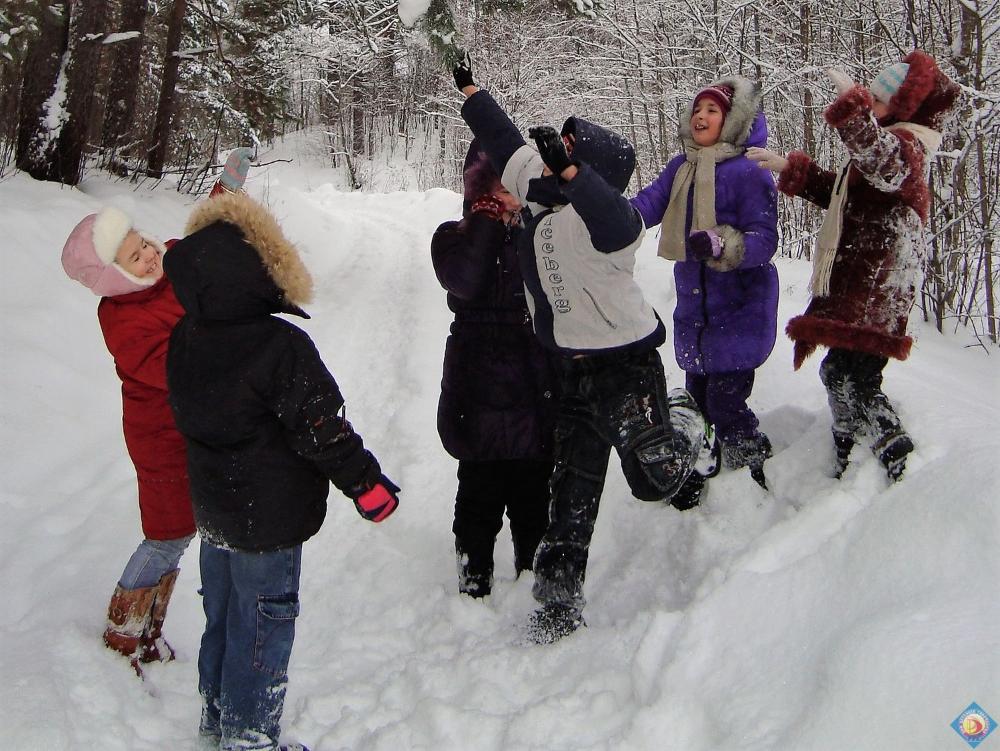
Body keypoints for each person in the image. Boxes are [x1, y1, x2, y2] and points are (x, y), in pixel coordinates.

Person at [452, 56, 717, 644]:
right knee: (571, 493)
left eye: (569, 149)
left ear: (588, 166)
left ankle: (688, 428)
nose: (554, 154)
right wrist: (471, 88)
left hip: (626, 368)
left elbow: (620, 221)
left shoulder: (608, 228)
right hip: (570, 372)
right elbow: (501, 139)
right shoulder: (536, 194)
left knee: (653, 480)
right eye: (558, 147)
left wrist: (575, 176)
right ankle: (557, 600)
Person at [164, 189, 400, 751]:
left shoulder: (185, 335)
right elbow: (322, 429)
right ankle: (250, 737)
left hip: (215, 509)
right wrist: (365, 483)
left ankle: (218, 719)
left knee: (222, 617)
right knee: (263, 625)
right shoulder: (280, 346)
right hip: (267, 518)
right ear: (260, 270)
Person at [58, 148, 254, 676]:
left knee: (183, 531)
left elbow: (201, 243)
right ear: (112, 278)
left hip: (191, 431)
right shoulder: (125, 320)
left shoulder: (167, 267)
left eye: (143, 243)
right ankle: (126, 628)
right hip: (162, 438)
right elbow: (173, 368)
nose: (148, 255)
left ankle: (149, 630)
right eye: (133, 257)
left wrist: (227, 189)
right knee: (167, 534)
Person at [748, 51, 959, 481]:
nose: (874, 109)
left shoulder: (906, 148)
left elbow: (881, 163)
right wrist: (795, 170)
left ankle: (897, 454)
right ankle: (850, 443)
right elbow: (847, 196)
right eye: (873, 102)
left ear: (904, 106)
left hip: (878, 285)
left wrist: (854, 110)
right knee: (839, 371)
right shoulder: (890, 146)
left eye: (880, 102)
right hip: (864, 282)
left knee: (856, 376)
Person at [631, 77, 779, 493]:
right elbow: (648, 203)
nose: (701, 116)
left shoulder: (749, 172)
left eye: (712, 110)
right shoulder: (682, 169)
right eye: (697, 109)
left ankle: (755, 472)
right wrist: (611, 218)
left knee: (724, 402)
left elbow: (765, 239)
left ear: (732, 121)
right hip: (697, 310)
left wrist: (723, 244)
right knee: (697, 400)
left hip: (740, 307)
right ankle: (702, 466)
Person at [432, 141, 558, 598]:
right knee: (478, 496)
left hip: (533, 379)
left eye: (513, 184)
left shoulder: (540, 231)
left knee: (533, 495)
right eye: (494, 186)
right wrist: (484, 219)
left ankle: (532, 578)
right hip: (477, 384)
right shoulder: (451, 237)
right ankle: (474, 581)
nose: (507, 196)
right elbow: (465, 280)